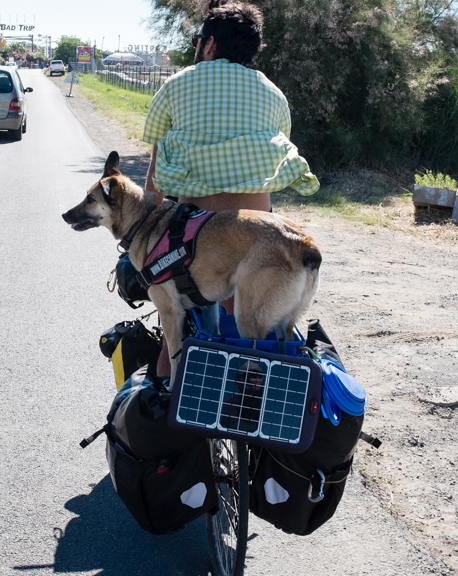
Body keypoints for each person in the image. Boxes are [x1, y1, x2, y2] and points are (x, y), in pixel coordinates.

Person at [142, 0, 319, 378]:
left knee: (175, 332)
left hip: (193, 245)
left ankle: (162, 407)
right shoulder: (274, 95)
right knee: (257, 340)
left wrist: (142, 237)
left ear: (208, 45)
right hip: (256, 239)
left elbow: (155, 178)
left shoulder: (177, 85)